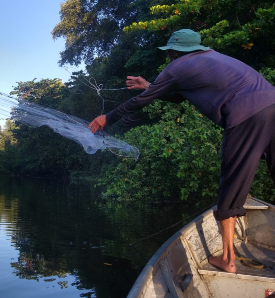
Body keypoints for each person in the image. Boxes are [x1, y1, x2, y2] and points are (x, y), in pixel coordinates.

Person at [88, 29, 275, 274]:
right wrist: (149, 85)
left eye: (169, 54)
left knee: (232, 183)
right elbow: (177, 97)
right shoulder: (214, 58)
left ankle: (228, 258)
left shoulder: (177, 66)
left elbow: (140, 102)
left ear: (174, 52)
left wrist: (107, 118)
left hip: (245, 115)